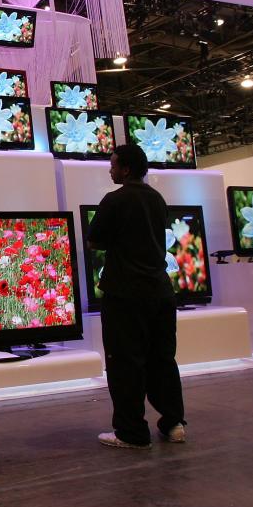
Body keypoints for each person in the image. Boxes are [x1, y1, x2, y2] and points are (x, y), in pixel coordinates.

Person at [87, 144, 187, 449]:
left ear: (126, 169)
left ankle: (132, 432)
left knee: (125, 364)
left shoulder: (114, 200)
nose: (110, 169)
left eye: (113, 164)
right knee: (163, 360)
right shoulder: (157, 199)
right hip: (160, 290)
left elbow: (94, 241)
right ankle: (174, 424)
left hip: (125, 294)